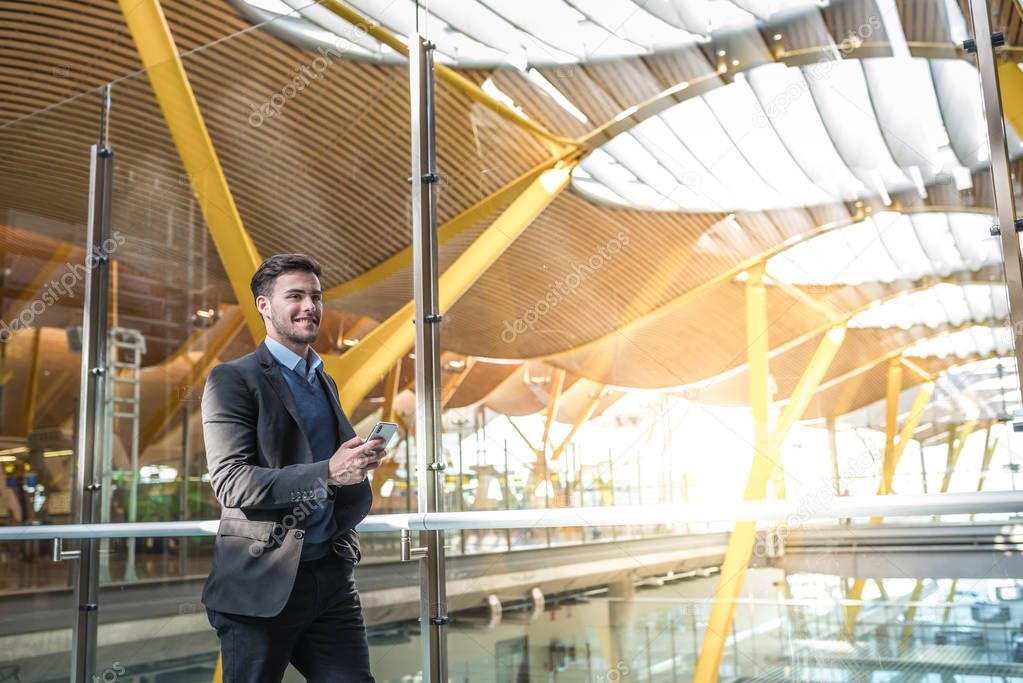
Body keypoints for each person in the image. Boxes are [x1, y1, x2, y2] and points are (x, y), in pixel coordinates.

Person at [201, 253, 385, 682]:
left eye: (316, 296)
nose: (310, 307)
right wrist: (327, 473)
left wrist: (354, 464)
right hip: (261, 584)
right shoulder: (232, 379)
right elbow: (231, 483)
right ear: (265, 305)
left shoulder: (323, 377)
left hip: (331, 577)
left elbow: (326, 462)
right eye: (296, 296)